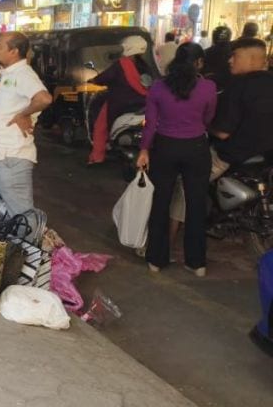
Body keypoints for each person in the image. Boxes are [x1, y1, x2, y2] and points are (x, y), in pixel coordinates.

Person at [136, 43, 216, 277]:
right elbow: (208, 117)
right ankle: (196, 263)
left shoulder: (159, 87)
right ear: (199, 62)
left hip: (165, 148)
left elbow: (150, 124)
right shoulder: (208, 87)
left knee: (160, 203)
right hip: (197, 148)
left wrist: (144, 150)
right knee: (196, 204)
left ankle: (156, 260)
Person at [0, 32, 53, 216]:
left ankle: (27, 244)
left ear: (14, 51)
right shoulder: (10, 73)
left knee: (20, 213)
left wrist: (24, 114)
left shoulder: (23, 74)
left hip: (12, 156)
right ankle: (10, 243)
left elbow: (44, 98)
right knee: (0, 209)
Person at [210, 37, 273, 179]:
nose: (230, 61)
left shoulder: (239, 86)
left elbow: (222, 133)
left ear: (251, 59)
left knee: (185, 185)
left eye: (235, 56)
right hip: (267, 157)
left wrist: (204, 124)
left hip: (232, 157)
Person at [86, 35, 152, 164]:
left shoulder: (121, 64)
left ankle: (97, 156)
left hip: (120, 103)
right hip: (143, 103)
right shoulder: (145, 65)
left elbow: (104, 77)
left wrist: (94, 80)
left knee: (100, 125)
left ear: (127, 48)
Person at [202, 25, 233, 92]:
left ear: (213, 37)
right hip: (229, 89)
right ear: (229, 37)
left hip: (207, 88)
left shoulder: (206, 52)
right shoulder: (234, 53)